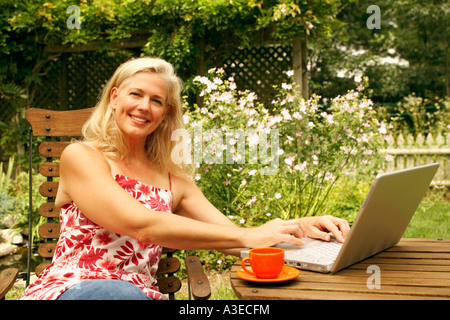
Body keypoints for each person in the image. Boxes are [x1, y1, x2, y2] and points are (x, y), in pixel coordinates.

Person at [21, 57, 349, 300]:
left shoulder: (174, 181)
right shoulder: (82, 157)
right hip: (74, 288)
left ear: (165, 114)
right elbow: (140, 223)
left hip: (138, 295)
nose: (143, 107)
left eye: (157, 101)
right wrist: (249, 235)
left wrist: (300, 228)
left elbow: (234, 238)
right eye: (135, 94)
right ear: (115, 97)